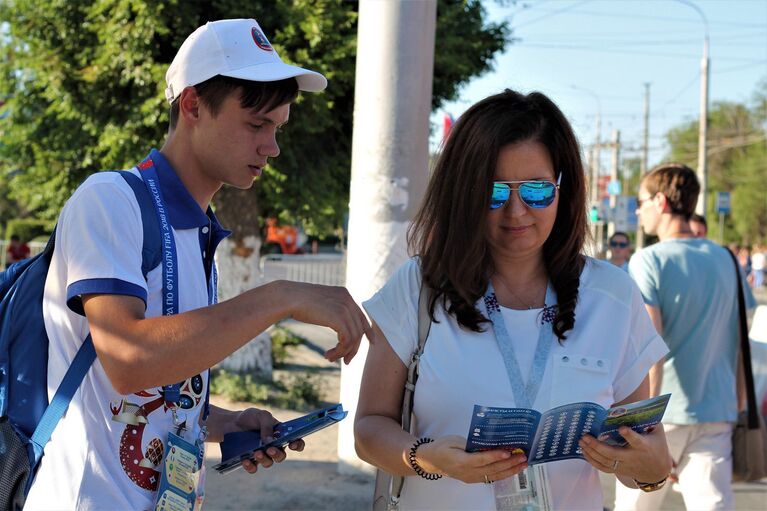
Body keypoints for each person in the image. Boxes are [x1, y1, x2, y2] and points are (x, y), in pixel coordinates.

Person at [24, 18, 372, 510]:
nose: (271, 147)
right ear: (191, 104)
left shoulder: (196, 230)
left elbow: (141, 401)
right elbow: (127, 361)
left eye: (277, 128)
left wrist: (226, 424)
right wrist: (278, 298)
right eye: (256, 125)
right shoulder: (110, 199)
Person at [354, 90, 672, 510]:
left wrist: (651, 470)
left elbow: (642, 452)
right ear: (463, 193)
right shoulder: (417, 287)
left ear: (564, 186)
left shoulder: (613, 296)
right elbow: (369, 428)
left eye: (538, 191)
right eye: (494, 192)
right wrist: (426, 457)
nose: (517, 211)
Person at [614, 163, 756, 511]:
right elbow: (741, 339)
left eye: (642, 200)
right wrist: (736, 403)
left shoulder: (647, 261)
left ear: (660, 201)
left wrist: (646, 421)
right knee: (713, 505)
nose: (638, 209)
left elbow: (650, 350)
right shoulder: (727, 259)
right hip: (717, 410)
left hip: (663, 413)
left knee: (636, 506)